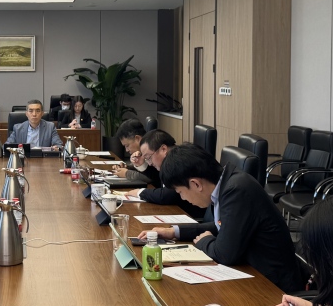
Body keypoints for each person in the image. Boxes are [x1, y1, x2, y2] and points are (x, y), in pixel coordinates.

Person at [154, 143, 303, 292]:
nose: (183, 198)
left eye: (180, 192)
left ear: (196, 184)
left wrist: (205, 241)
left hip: (273, 286)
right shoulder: (226, 183)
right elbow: (223, 226)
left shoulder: (236, 190)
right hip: (252, 273)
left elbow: (225, 254)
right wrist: (174, 232)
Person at [124, 130, 204, 217]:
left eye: (149, 157)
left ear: (163, 149)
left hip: (191, 215)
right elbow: (159, 180)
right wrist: (142, 165)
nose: (149, 163)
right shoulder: (172, 159)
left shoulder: (178, 162)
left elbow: (167, 195)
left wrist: (140, 192)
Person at [112, 118, 155, 186]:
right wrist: (127, 167)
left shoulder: (152, 151)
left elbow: (150, 177)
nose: (127, 150)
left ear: (138, 138)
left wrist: (126, 173)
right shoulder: (143, 151)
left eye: (127, 145)